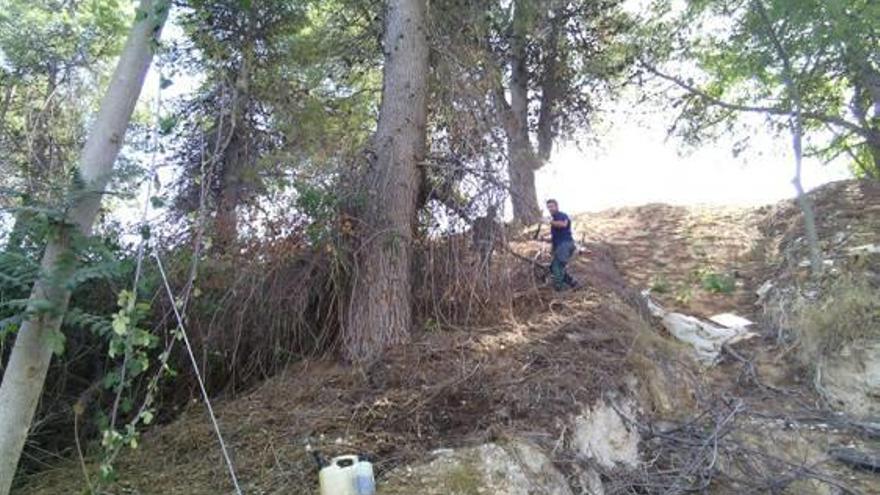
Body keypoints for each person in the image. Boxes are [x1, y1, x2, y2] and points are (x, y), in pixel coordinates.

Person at [544, 199, 578, 291]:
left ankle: (559, 289)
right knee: (555, 267)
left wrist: (550, 222)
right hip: (560, 246)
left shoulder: (561, 215)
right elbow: (556, 236)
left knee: (557, 266)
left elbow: (563, 224)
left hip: (565, 244)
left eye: (552, 206)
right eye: (548, 207)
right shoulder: (554, 218)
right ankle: (572, 282)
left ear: (557, 206)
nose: (550, 209)